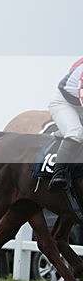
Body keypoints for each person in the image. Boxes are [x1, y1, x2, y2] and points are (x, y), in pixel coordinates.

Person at [48, 57, 83, 190]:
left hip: (78, 105)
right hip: (63, 104)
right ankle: (58, 172)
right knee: (76, 133)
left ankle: (62, 132)